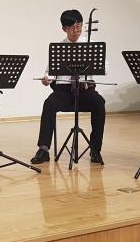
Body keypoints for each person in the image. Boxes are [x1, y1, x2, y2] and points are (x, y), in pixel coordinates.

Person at [30, 9, 106, 164]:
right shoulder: (59, 47)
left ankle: (95, 149)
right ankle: (43, 149)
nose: (76, 31)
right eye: (71, 28)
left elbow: (105, 68)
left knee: (99, 103)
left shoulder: (90, 45)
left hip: (85, 91)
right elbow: (49, 73)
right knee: (49, 103)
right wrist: (46, 79)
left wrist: (90, 64)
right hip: (64, 92)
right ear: (64, 29)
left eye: (79, 26)